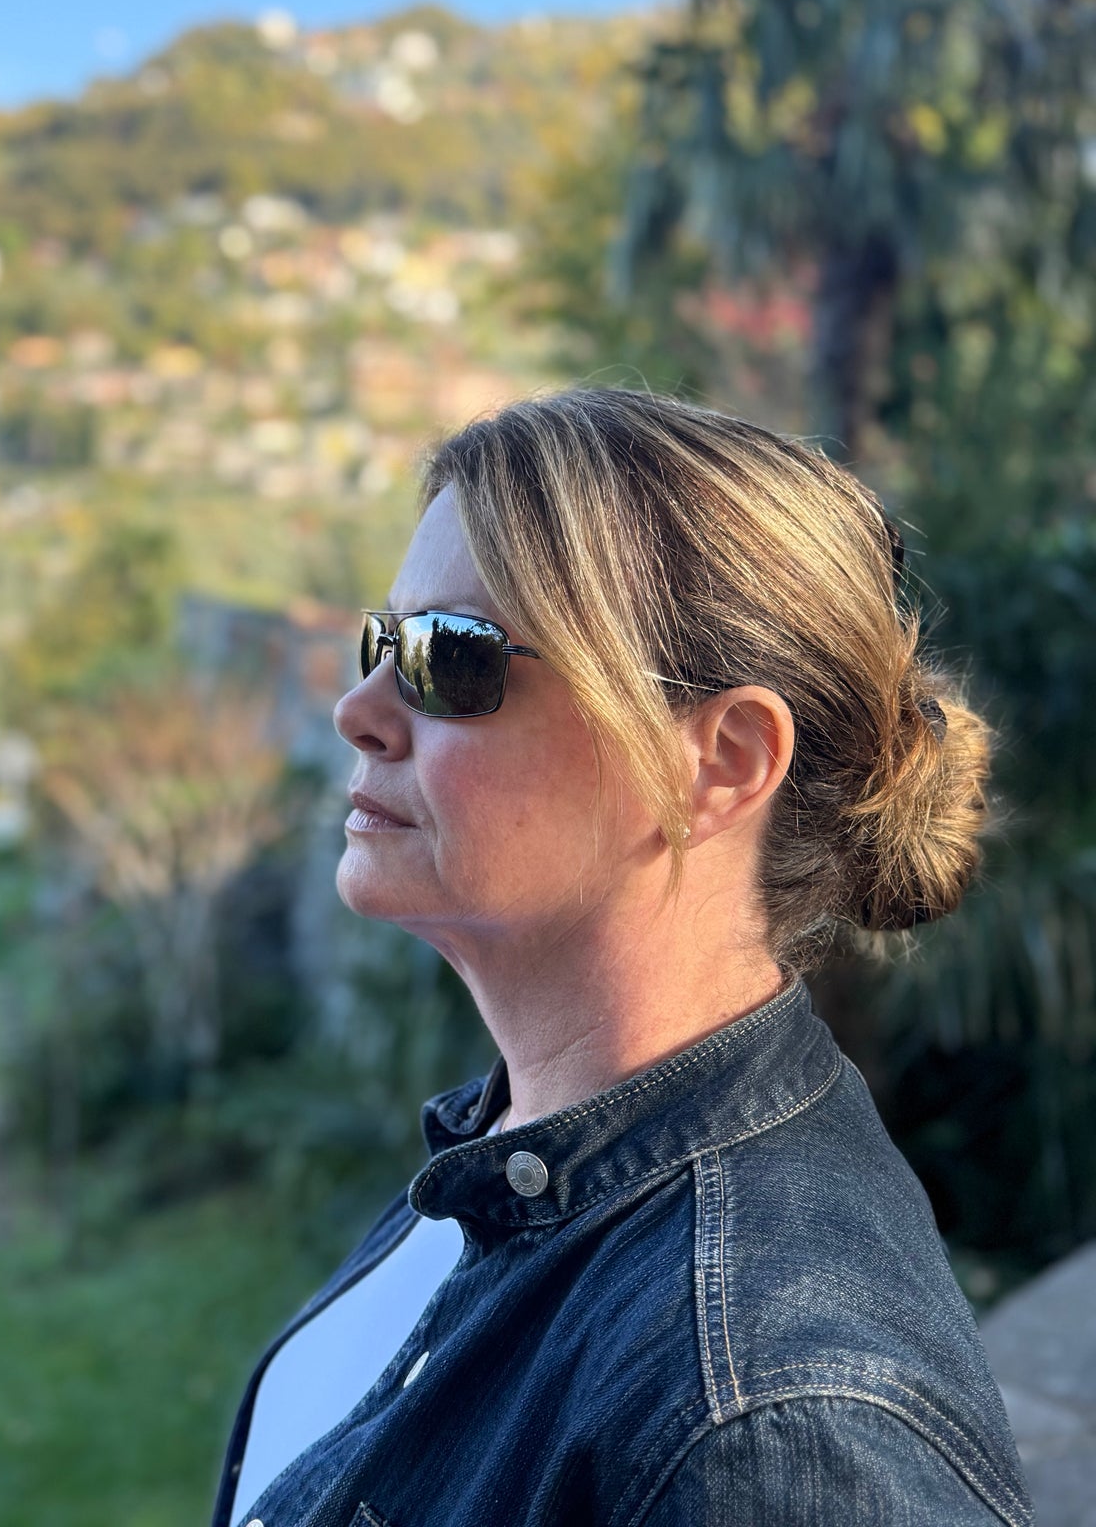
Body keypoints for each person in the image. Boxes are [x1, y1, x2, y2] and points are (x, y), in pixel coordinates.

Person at [210, 387, 1032, 1527]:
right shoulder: (512, 1160)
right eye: (382, 642)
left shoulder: (772, 1430)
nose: (358, 708)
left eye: (453, 659)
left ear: (722, 761)